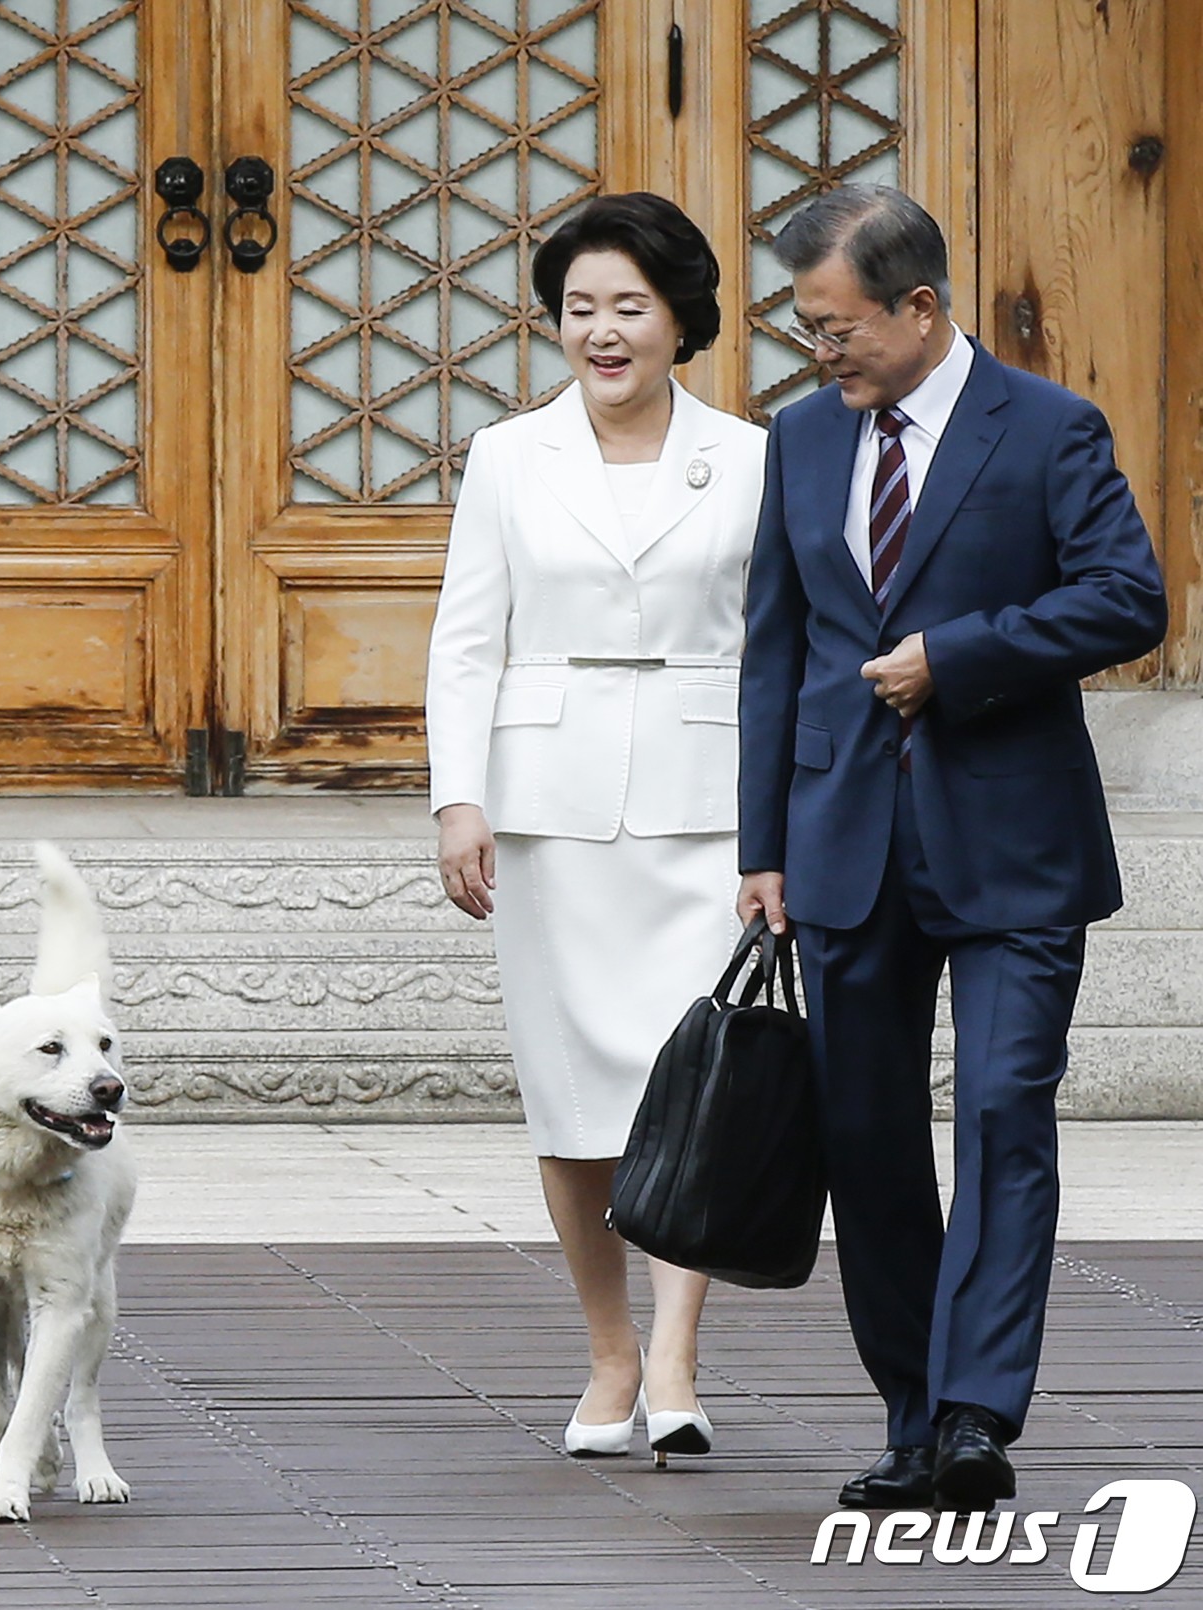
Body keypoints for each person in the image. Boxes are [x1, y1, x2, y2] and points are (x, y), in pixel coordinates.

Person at [737, 184, 1168, 1511]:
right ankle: (914, 1411)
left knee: (999, 1113)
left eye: (836, 326)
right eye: (808, 329)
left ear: (919, 309)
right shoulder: (801, 439)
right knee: (864, 1135)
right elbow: (776, 650)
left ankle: (979, 1413)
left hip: (1014, 844)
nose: (821, 352)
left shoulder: (1049, 428)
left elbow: (1129, 596)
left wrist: (961, 659)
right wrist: (763, 848)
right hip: (842, 843)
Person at [426, 193, 766, 1465]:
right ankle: (608, 1349)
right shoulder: (508, 456)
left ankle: (677, 1352)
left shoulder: (750, 456)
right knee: (573, 1101)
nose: (602, 333)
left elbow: (774, 648)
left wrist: (777, 819)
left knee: (700, 1085)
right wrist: (458, 796)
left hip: (705, 802)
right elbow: (467, 639)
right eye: (579, 310)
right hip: (548, 812)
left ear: (680, 318)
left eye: (628, 307)